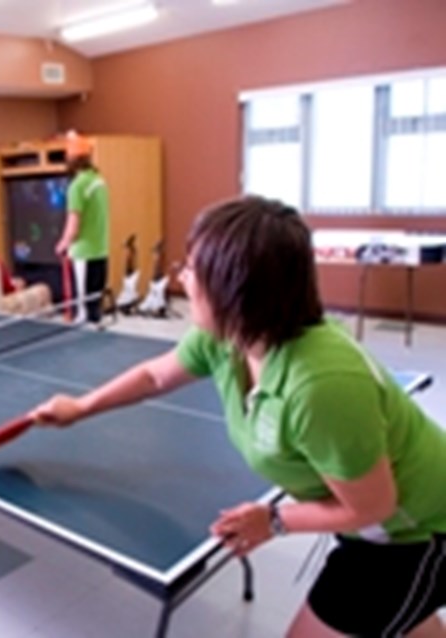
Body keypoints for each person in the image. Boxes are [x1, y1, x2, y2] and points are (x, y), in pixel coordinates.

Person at [31, 195, 446, 637]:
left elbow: (373, 505)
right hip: (374, 521)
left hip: (416, 532)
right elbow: (155, 377)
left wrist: (274, 520)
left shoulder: (321, 387)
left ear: (235, 288)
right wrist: (80, 408)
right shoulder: (226, 338)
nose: (182, 278)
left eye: (192, 269)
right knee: (408, 618)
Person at [55, 131, 109, 324]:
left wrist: (62, 244)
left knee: (83, 313)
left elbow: (73, 226)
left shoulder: (77, 186)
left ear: (73, 159)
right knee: (95, 307)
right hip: (101, 252)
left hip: (83, 255)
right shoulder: (99, 181)